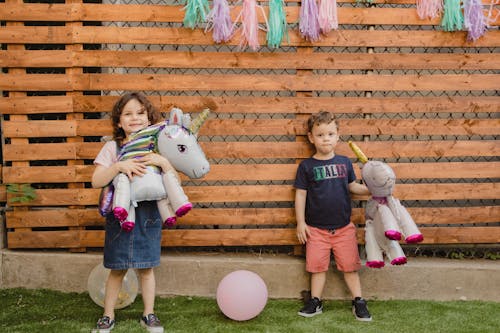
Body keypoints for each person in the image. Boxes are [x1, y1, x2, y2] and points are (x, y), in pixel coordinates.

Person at [92, 92, 176, 332]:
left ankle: (148, 314)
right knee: (117, 269)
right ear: (119, 121)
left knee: (147, 269)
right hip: (120, 217)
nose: (135, 118)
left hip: (148, 215)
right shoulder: (113, 147)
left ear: (149, 119)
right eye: (127, 114)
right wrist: (119, 166)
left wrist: (163, 162)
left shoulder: (158, 147)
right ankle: (108, 316)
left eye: (140, 113)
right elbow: (96, 180)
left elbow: (172, 179)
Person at [294, 111, 372, 321]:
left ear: (338, 136)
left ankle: (358, 301)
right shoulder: (307, 166)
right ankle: (316, 301)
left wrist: (371, 190)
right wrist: (301, 223)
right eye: (320, 134)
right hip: (316, 230)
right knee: (317, 268)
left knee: (350, 266)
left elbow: (352, 186)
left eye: (330, 133)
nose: (325, 138)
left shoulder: (345, 162)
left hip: (343, 228)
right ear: (311, 137)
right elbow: (301, 195)